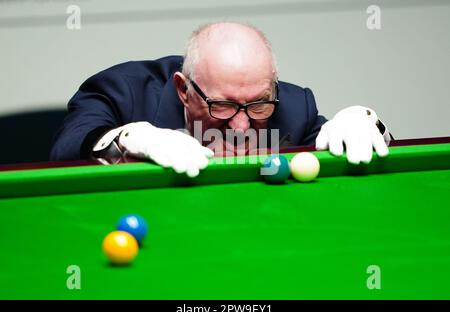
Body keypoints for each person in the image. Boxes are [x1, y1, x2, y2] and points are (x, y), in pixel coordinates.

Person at [50, 22, 391, 177]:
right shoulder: (124, 90)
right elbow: (66, 147)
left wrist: (365, 119)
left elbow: (361, 149)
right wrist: (131, 138)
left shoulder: (293, 106)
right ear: (184, 90)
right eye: (222, 105)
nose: (242, 124)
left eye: (258, 104)